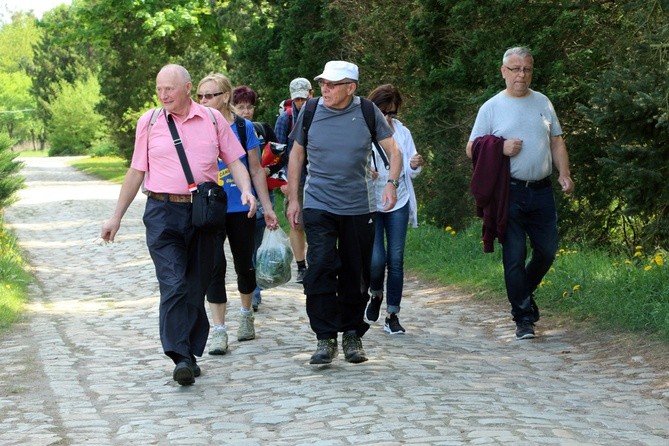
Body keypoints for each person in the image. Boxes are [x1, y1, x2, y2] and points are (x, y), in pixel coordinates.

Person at [100, 64, 255, 386]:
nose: (163, 95)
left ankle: (188, 351)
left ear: (187, 88)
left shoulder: (212, 119)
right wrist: (116, 215)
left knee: (195, 287)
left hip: (203, 213)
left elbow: (236, 161)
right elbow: (135, 171)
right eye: (158, 89)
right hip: (162, 212)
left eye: (169, 88)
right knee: (174, 284)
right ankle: (180, 357)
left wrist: (245, 190)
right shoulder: (150, 121)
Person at [287, 61, 402, 364]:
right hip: (318, 203)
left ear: (350, 88)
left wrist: (391, 183)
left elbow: (395, 152)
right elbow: (297, 154)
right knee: (321, 266)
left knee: (356, 272)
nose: (325, 88)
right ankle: (325, 338)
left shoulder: (367, 111)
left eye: (332, 84)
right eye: (323, 82)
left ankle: (352, 334)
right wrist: (294, 199)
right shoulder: (310, 111)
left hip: (358, 206)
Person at [466, 47, 574, 340]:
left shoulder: (543, 102)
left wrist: (564, 173)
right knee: (514, 256)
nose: (521, 75)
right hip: (509, 193)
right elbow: (471, 147)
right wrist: (499, 147)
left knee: (547, 251)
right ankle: (523, 317)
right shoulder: (491, 107)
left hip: (541, 191)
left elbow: (556, 142)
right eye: (515, 69)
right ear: (503, 71)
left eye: (526, 69)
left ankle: (522, 293)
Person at [196, 73, 278, 355]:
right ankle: (219, 330)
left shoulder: (243, 128)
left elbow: (255, 170)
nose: (205, 101)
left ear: (226, 96)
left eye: (211, 95)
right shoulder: (194, 126)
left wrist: (267, 208)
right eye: (201, 95)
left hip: (241, 208)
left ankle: (245, 314)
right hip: (208, 209)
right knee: (214, 267)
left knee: (244, 264)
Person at [364, 84, 424, 335]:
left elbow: (411, 172)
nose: (387, 118)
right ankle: (375, 293)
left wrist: (415, 163)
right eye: (383, 112)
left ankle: (393, 314)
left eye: (392, 113)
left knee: (396, 259)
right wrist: (366, 170)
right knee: (376, 259)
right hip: (371, 202)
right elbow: (352, 163)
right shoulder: (362, 131)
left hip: (397, 202)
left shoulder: (403, 134)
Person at [232, 85, 281, 312]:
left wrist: (271, 169)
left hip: (263, 193)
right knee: (246, 246)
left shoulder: (262, 129)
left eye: (249, 106)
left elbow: (282, 151)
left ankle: (255, 290)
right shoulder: (231, 130)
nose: (246, 111)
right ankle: (252, 292)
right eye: (241, 107)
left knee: (257, 243)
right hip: (239, 195)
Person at [275, 77, 314, 284]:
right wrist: (283, 180)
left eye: (303, 97)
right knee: (296, 222)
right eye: (296, 99)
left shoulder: (319, 114)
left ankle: (317, 263)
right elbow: (277, 153)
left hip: (317, 177)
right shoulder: (285, 119)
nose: (300, 102)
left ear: (311, 94)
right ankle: (301, 266)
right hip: (294, 178)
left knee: (317, 222)